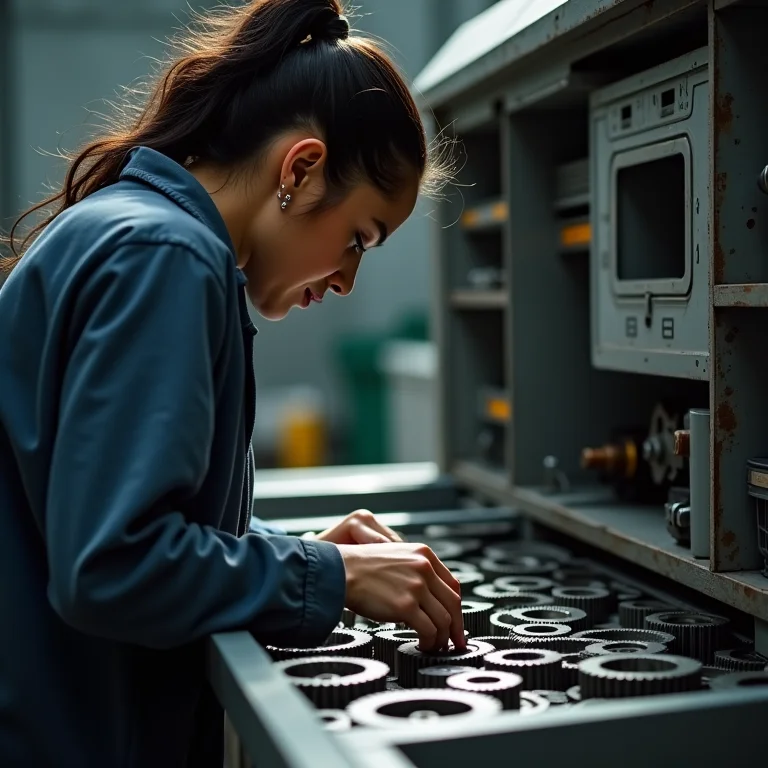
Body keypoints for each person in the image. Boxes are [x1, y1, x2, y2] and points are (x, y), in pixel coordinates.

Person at [0, 1, 465, 766]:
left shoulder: (133, 230)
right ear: (302, 167)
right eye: (358, 238)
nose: (347, 279)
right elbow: (112, 567)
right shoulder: (168, 255)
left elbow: (103, 528)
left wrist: (293, 558)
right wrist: (330, 575)